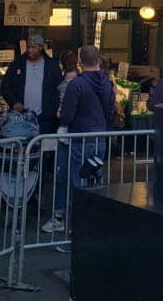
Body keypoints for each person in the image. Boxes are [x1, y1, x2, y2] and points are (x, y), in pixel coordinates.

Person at [47, 45, 115, 243]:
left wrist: (62, 116)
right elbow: (110, 110)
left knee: (79, 181)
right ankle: (95, 224)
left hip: (80, 138)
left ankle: (78, 229)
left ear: (80, 62)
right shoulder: (107, 83)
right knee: (96, 179)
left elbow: (67, 115)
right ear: (98, 61)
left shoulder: (76, 85)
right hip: (100, 137)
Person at [0, 33, 64, 134]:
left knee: (45, 147)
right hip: (22, 117)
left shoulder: (52, 66)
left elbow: (60, 88)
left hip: (46, 119)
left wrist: (54, 109)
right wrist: (14, 102)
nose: (30, 50)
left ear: (40, 48)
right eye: (28, 47)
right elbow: (5, 87)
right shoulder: (17, 64)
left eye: (33, 47)